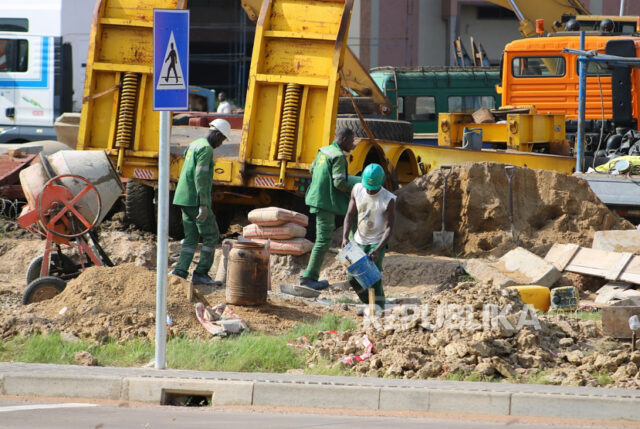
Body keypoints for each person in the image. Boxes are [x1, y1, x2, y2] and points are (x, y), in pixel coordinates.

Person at [170, 119, 231, 285]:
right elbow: (201, 177)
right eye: (223, 139)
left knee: (191, 237)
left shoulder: (195, 143)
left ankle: (180, 271)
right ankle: (201, 273)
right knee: (211, 235)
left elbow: (186, 161)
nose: (221, 143)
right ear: (218, 135)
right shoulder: (206, 149)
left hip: (182, 197)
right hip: (195, 199)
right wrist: (203, 204)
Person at [300, 128, 357, 290]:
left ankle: (351, 273)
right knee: (323, 240)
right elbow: (339, 183)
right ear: (345, 139)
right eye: (352, 142)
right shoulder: (338, 156)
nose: (353, 145)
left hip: (316, 198)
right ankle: (309, 277)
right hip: (325, 201)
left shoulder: (324, 151)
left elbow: (312, 170)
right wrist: (353, 188)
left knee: (324, 238)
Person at [342, 163, 395, 309]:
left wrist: (378, 249)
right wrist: (345, 237)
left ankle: (378, 308)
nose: (370, 192)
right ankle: (368, 304)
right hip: (358, 240)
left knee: (373, 279)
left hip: (376, 243)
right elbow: (349, 214)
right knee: (352, 277)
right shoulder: (357, 189)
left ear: (381, 183)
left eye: (374, 189)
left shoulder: (388, 199)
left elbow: (389, 228)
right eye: (368, 188)